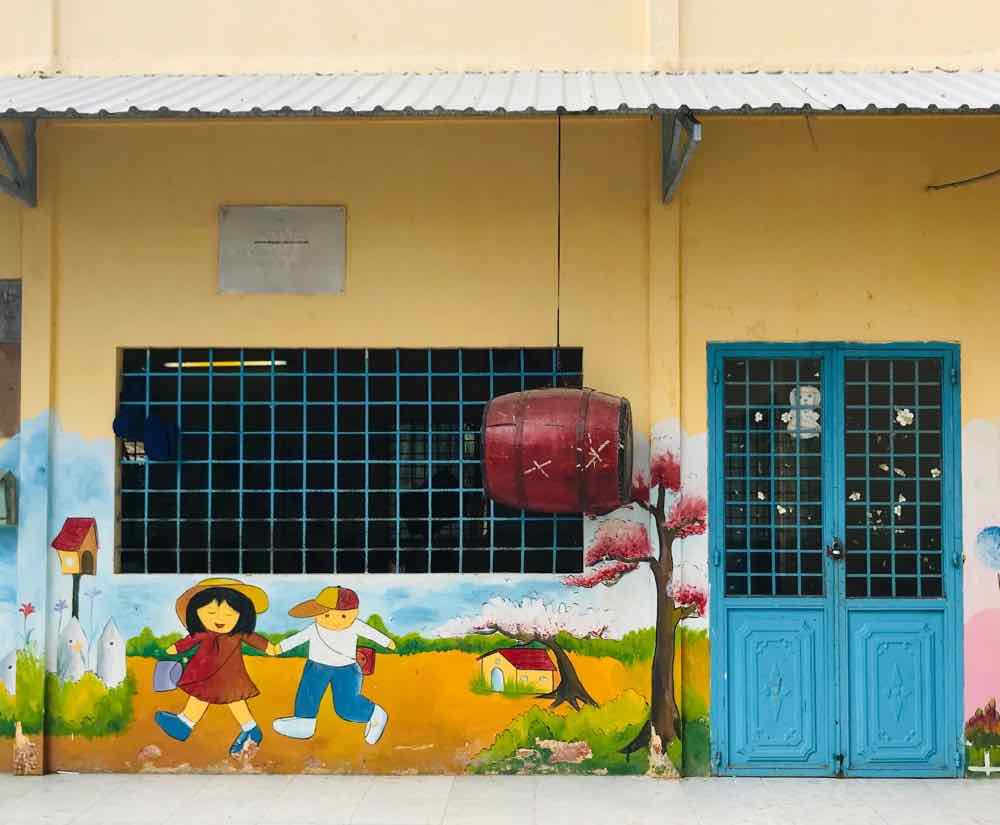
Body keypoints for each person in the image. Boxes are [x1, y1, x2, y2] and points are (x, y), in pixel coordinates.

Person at [154, 577, 278, 756]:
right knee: (202, 695)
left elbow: (256, 640)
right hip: (204, 673)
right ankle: (185, 723)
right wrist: (175, 648)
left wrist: (271, 648)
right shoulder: (203, 633)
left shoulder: (238, 633)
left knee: (234, 699)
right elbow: (190, 640)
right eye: (211, 612)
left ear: (242, 615)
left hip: (230, 675)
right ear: (197, 613)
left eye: (229, 614)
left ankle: (250, 728)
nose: (220, 619)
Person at [272, 586, 395, 744]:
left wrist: (387, 642)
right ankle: (304, 724)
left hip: (347, 670)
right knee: (308, 694)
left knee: (346, 707)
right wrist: (280, 647)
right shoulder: (314, 628)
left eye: (343, 616)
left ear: (354, 613)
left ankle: (374, 714)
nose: (334, 621)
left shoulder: (356, 625)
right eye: (327, 615)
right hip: (316, 667)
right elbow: (297, 638)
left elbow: (372, 633)